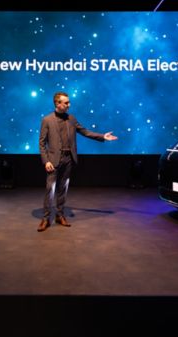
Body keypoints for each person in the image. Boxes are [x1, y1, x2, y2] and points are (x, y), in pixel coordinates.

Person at [37, 91, 118, 232]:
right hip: (53, 160)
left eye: (69, 102)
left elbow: (85, 132)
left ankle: (60, 215)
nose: (69, 105)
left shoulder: (71, 119)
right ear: (57, 103)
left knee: (63, 188)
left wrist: (102, 136)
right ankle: (45, 218)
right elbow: (42, 143)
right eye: (66, 102)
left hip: (68, 158)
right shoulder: (47, 120)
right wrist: (46, 161)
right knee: (50, 189)